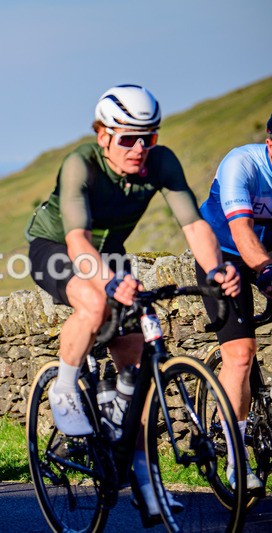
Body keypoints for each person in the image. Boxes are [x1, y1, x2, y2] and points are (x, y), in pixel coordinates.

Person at [24, 85, 241, 517]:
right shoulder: (80, 164)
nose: (140, 148)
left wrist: (216, 270)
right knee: (94, 303)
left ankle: (144, 477)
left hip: (109, 252)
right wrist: (107, 283)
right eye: (128, 137)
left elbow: (195, 226)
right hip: (57, 246)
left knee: (138, 358)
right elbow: (78, 241)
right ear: (103, 135)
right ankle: (65, 389)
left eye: (149, 136)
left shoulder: (161, 163)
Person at [195, 113, 272, 492]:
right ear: (270, 143)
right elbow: (242, 233)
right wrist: (268, 274)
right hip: (223, 257)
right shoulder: (242, 164)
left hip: (265, 250)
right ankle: (235, 457)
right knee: (240, 353)